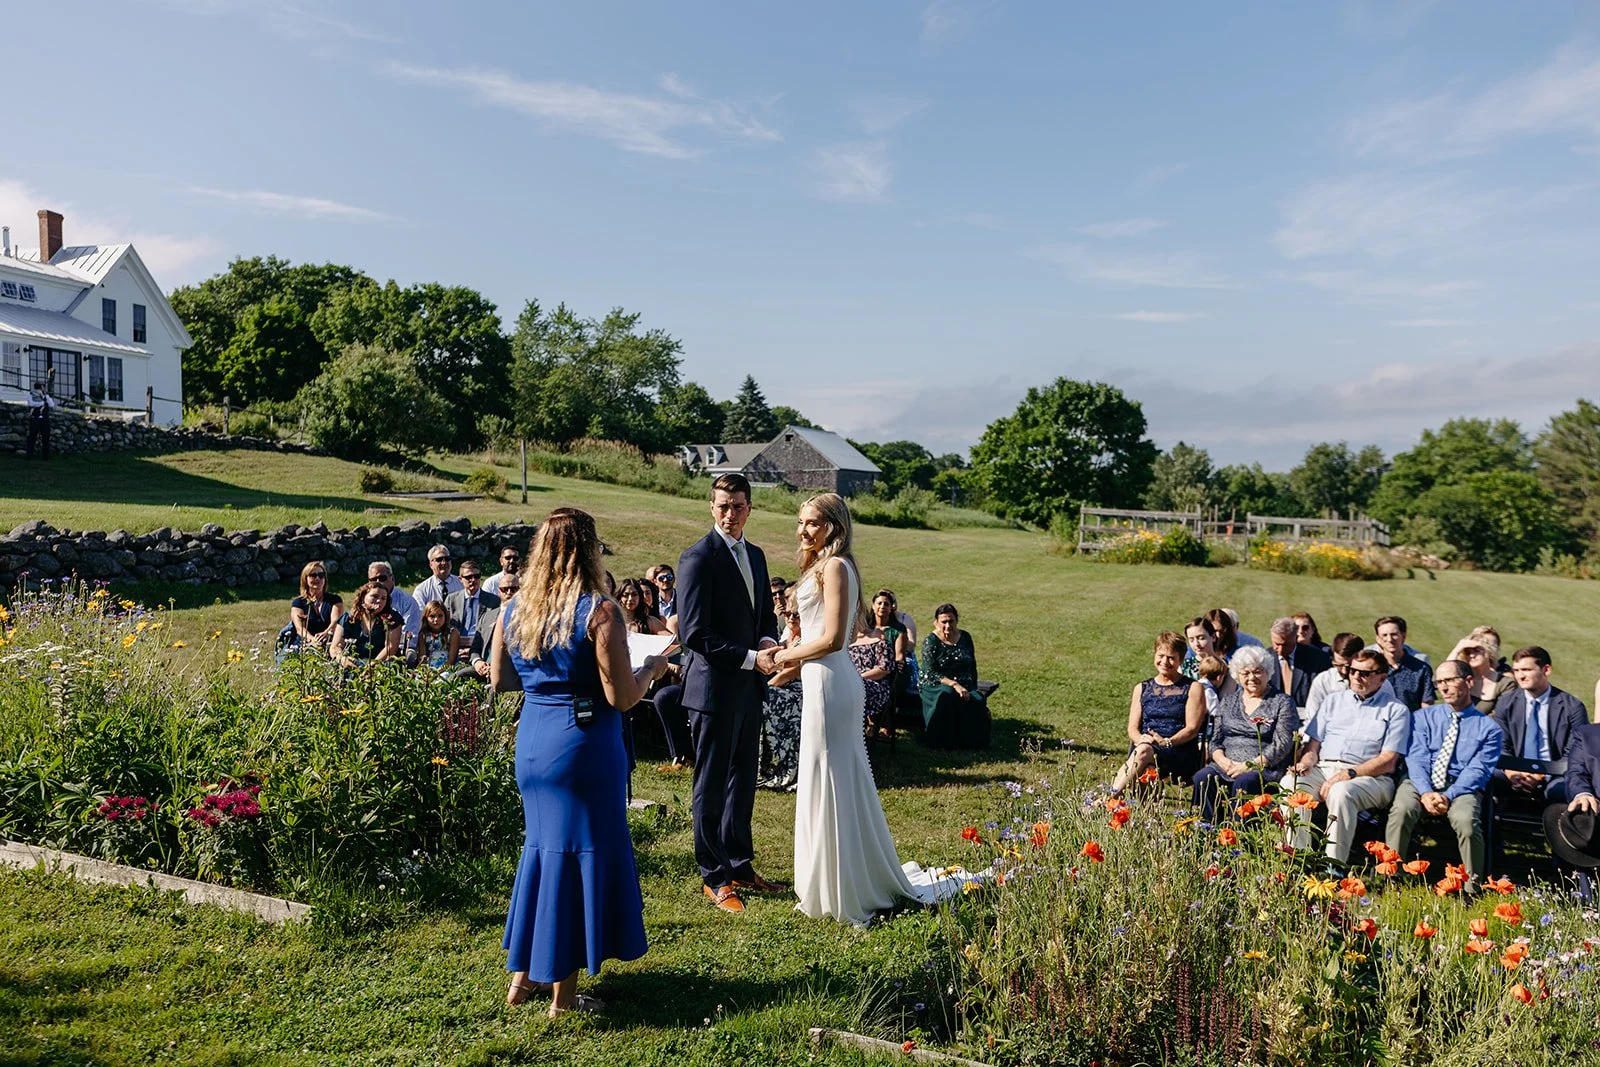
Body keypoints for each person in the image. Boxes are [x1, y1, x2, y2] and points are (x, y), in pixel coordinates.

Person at [494, 507, 670, 1017]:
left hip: (533, 742)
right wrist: (653, 669)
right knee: (572, 863)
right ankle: (564, 1001)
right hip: (583, 745)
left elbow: (501, 680)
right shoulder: (600, 611)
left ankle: (521, 981)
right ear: (589, 550)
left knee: (543, 854)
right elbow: (622, 697)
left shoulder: (516, 609)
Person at [772, 492, 972, 926]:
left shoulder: (838, 567)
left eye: (811, 523)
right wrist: (790, 663)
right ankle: (821, 883)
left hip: (833, 683)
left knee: (834, 779)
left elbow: (834, 640)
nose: (802, 530)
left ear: (834, 526)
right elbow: (815, 633)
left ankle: (845, 888)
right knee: (819, 776)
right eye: (800, 522)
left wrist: (787, 658)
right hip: (817, 678)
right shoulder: (818, 567)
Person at [675, 473, 784, 913]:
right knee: (712, 783)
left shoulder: (756, 556)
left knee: (744, 781)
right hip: (714, 689)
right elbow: (694, 632)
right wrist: (746, 657)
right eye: (722, 505)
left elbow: (764, 617)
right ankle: (714, 876)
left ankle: (739, 863)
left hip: (749, 687)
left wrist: (766, 642)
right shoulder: (697, 558)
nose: (730, 514)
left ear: (749, 508)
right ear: (711, 507)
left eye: (737, 505)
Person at [1281, 649, 1410, 870]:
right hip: (1324, 768)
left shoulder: (1396, 710)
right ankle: (1299, 862)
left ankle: (1334, 867)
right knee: (1290, 785)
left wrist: (1348, 774)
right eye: (1352, 671)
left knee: (1341, 792)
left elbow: (1388, 760)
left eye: (1365, 673)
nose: (1356, 677)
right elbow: (1313, 746)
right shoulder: (1333, 701)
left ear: (1382, 677)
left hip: (1371, 778)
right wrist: (1306, 763)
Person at [1385, 658, 1503, 885]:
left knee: (1466, 821)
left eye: (1449, 680)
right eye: (1439, 682)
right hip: (1421, 781)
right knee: (1401, 810)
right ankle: (1392, 877)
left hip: (1461, 786)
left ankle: (1471, 886)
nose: (1443, 687)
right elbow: (1416, 757)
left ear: (1469, 681)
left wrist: (1448, 795)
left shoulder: (1489, 729)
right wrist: (1427, 792)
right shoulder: (1422, 718)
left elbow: (1478, 770)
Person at [1191, 645, 1297, 822]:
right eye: (1245, 673)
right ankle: (1205, 835)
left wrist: (1248, 765)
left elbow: (1283, 743)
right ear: (1237, 676)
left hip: (1262, 769)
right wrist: (1223, 762)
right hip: (1226, 765)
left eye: (1258, 672)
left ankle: (1237, 840)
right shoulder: (1228, 701)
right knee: (1203, 777)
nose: (1251, 678)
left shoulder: (1282, 702)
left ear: (1268, 672)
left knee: (1245, 782)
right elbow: (1216, 740)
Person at [1491, 645, 1590, 807]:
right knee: (1483, 777)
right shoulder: (1506, 703)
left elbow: (1575, 753)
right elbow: (1501, 745)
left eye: (1526, 670)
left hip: (1556, 774)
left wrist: (1541, 775)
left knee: (1565, 788)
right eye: (1516, 670)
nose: (1520, 676)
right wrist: (1512, 773)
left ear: (1546, 670)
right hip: (1514, 771)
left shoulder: (1572, 707)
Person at [1111, 631, 1207, 793]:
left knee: (1144, 754)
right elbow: (1132, 729)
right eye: (1161, 655)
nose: (1165, 661)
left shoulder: (1193, 687)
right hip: (1147, 749)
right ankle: (1146, 816)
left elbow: (1192, 729)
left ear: (1181, 660)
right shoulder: (1142, 688)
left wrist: (1167, 741)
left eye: (1171, 658)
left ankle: (1107, 799)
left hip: (1178, 751)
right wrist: (1141, 738)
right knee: (1147, 764)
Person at [918, 603, 990, 750]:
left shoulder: (965, 637)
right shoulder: (931, 641)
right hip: (935, 684)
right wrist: (954, 684)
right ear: (936, 623)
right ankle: (942, 741)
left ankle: (971, 743)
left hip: (964, 682)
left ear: (957, 620)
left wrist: (972, 687)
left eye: (951, 621)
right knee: (948, 695)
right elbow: (930, 672)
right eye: (943, 621)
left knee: (977, 699)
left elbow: (972, 664)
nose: (947, 625)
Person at [758, 594, 805, 791]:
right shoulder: (784, 637)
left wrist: (768, 686)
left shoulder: (805, 641)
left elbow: (793, 670)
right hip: (777, 685)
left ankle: (775, 761)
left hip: (796, 688)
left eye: (796, 614)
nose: (791, 617)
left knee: (764, 700)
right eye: (788, 614)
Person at [1544, 723, 1600, 882]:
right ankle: (1588, 901)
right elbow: (1576, 772)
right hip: (1596, 814)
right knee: (1582, 821)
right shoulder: (1586, 734)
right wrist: (1582, 794)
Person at [331, 581, 402, 668]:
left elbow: (391, 648)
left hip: (380, 663)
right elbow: (334, 647)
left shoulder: (391, 619)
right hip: (352, 662)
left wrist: (371, 666)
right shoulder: (348, 618)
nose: (379, 600)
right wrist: (341, 658)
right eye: (375, 596)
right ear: (363, 597)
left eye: (383, 598)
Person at [465, 571, 519, 681]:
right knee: (455, 678)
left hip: (511, 672)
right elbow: (475, 648)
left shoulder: (527, 619)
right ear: (499, 592)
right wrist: (477, 662)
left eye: (513, 589)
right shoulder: (487, 616)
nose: (509, 593)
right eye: (504, 589)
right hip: (484, 669)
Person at [1374, 616, 1434, 711]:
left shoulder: (1421, 669)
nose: (1389, 639)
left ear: (1403, 636)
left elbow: (1427, 705)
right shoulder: (1371, 669)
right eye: (1384, 635)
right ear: (1378, 639)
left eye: (1394, 634)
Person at [1447, 630, 1514, 714]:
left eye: (1477, 650)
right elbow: (1443, 677)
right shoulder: (1462, 680)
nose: (1472, 655)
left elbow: (1502, 716)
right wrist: (1457, 649)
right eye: (1467, 652)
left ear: (1489, 652)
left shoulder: (1505, 683)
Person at [1304, 632, 1365, 726]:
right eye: (1338, 665)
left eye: (1349, 666)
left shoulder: (1374, 680)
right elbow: (1313, 718)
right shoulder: (1323, 681)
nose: (1344, 671)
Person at [284, 560, 343, 654]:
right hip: (305, 643)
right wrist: (313, 641)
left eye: (321, 575)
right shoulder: (298, 602)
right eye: (313, 575)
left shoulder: (335, 600)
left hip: (330, 641)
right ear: (305, 579)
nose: (317, 578)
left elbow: (336, 622)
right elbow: (300, 628)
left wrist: (326, 634)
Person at [1271, 616, 1330, 708]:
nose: (1281, 649)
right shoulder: (1265, 659)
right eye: (1277, 644)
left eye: (1286, 645)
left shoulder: (1317, 659)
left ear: (1296, 638)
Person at [849, 617, 893, 734]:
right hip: (849, 683)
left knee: (852, 689)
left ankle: (855, 734)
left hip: (874, 685)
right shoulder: (846, 639)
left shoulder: (879, 637)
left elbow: (883, 669)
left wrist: (858, 678)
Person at [368, 560, 421, 647]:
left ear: (392, 578)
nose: (378, 582)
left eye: (382, 578)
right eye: (373, 580)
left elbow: (408, 636)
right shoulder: (365, 602)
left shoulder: (407, 602)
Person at [444, 560, 499, 644]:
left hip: (481, 645)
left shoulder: (493, 600)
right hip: (455, 645)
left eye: (476, 576)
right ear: (460, 579)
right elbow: (445, 627)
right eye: (468, 577)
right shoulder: (451, 599)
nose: (473, 580)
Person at [415, 601, 462, 672]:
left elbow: (452, 659)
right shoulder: (423, 635)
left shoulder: (452, 633)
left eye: (440, 616)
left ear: (445, 616)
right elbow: (422, 657)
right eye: (432, 616)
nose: (436, 620)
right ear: (426, 618)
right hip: (428, 668)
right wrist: (426, 672)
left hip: (446, 667)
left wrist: (439, 671)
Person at [25, 375, 58, 460]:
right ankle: (29, 455)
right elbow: (31, 404)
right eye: (43, 387)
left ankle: (45, 456)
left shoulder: (45, 396)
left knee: (45, 438)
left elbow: (51, 405)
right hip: (35, 418)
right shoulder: (31, 395)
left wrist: (45, 398)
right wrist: (42, 403)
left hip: (44, 419)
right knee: (32, 437)